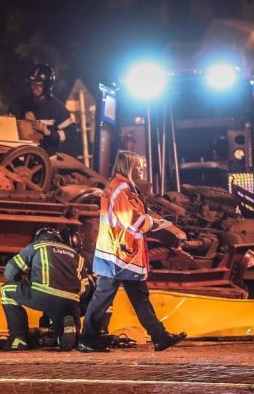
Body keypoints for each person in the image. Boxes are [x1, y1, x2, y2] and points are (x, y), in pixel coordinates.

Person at [78, 150, 187, 353]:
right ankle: (87, 338)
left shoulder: (122, 188)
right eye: (138, 166)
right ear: (128, 167)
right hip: (119, 253)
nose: (141, 169)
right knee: (104, 295)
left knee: (138, 296)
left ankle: (159, 336)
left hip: (122, 253)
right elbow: (134, 221)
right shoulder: (121, 190)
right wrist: (157, 223)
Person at [0, 227, 84, 351]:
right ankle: (64, 334)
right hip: (71, 302)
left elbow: (10, 272)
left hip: (43, 295)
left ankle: (18, 338)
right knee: (63, 325)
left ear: (38, 237)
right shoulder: (76, 255)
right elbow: (85, 286)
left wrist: (23, 281)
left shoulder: (36, 246)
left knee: (6, 290)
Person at [8, 63, 78, 157]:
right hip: (20, 155)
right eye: (32, 84)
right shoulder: (20, 104)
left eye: (38, 85)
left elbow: (71, 133)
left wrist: (48, 132)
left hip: (46, 158)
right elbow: (7, 124)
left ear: (47, 86)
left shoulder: (57, 108)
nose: (33, 87)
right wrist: (22, 120)